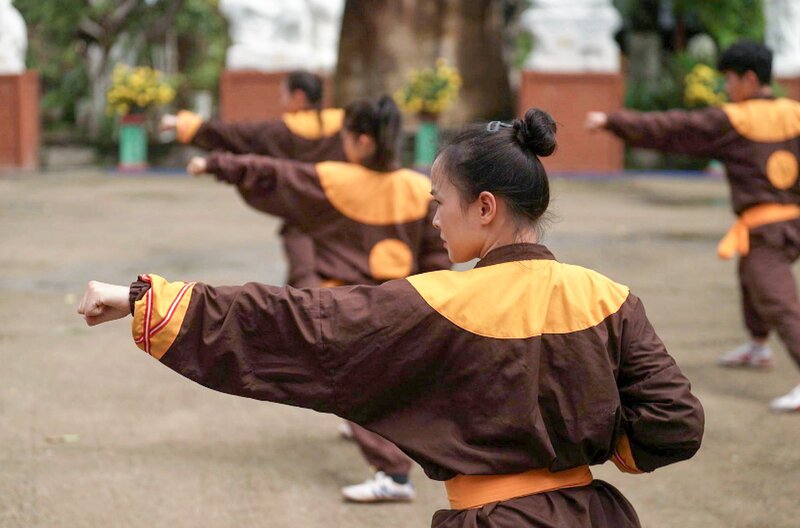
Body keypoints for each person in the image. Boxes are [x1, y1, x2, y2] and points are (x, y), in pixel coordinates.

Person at [78, 108, 704, 527]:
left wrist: (145, 299)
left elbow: (301, 322)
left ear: (484, 207)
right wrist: (597, 441)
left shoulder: (439, 302)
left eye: (442, 204)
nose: (434, 218)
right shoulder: (611, 297)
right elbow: (676, 424)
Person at [190, 95, 450, 502]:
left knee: (347, 382)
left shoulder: (333, 180)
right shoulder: (420, 189)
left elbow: (274, 174)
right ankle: (369, 435)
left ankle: (395, 475)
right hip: (400, 306)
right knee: (380, 380)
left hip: (345, 307)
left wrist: (215, 164)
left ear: (361, 141)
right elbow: (437, 256)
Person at [586, 40, 800, 413]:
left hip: (767, 227)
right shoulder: (794, 113)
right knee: (752, 274)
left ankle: (767, 348)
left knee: (778, 299)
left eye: (730, 80)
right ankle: (757, 346)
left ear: (749, 79)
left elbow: (674, 128)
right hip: (789, 221)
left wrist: (612, 121)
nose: (727, 88)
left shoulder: (735, 119)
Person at [161, 70, 345, 288]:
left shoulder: (280, 131)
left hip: (302, 220)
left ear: (299, 97)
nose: (281, 101)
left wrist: (184, 124)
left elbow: (232, 133)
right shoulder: (347, 126)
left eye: (284, 95)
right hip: (345, 217)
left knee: (306, 287)